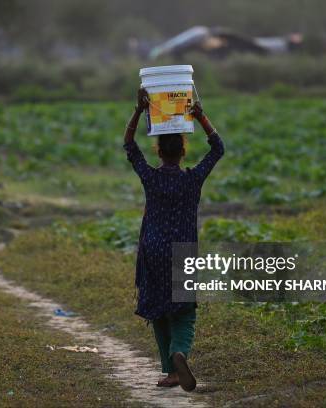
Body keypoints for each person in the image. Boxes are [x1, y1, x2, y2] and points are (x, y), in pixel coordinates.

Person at [123, 88, 225, 392]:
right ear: (183, 151)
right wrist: (200, 115)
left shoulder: (150, 177)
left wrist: (139, 110)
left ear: (159, 152)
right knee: (184, 310)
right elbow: (218, 148)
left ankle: (170, 371)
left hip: (153, 249)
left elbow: (128, 144)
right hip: (183, 251)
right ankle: (179, 352)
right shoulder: (192, 179)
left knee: (158, 307)